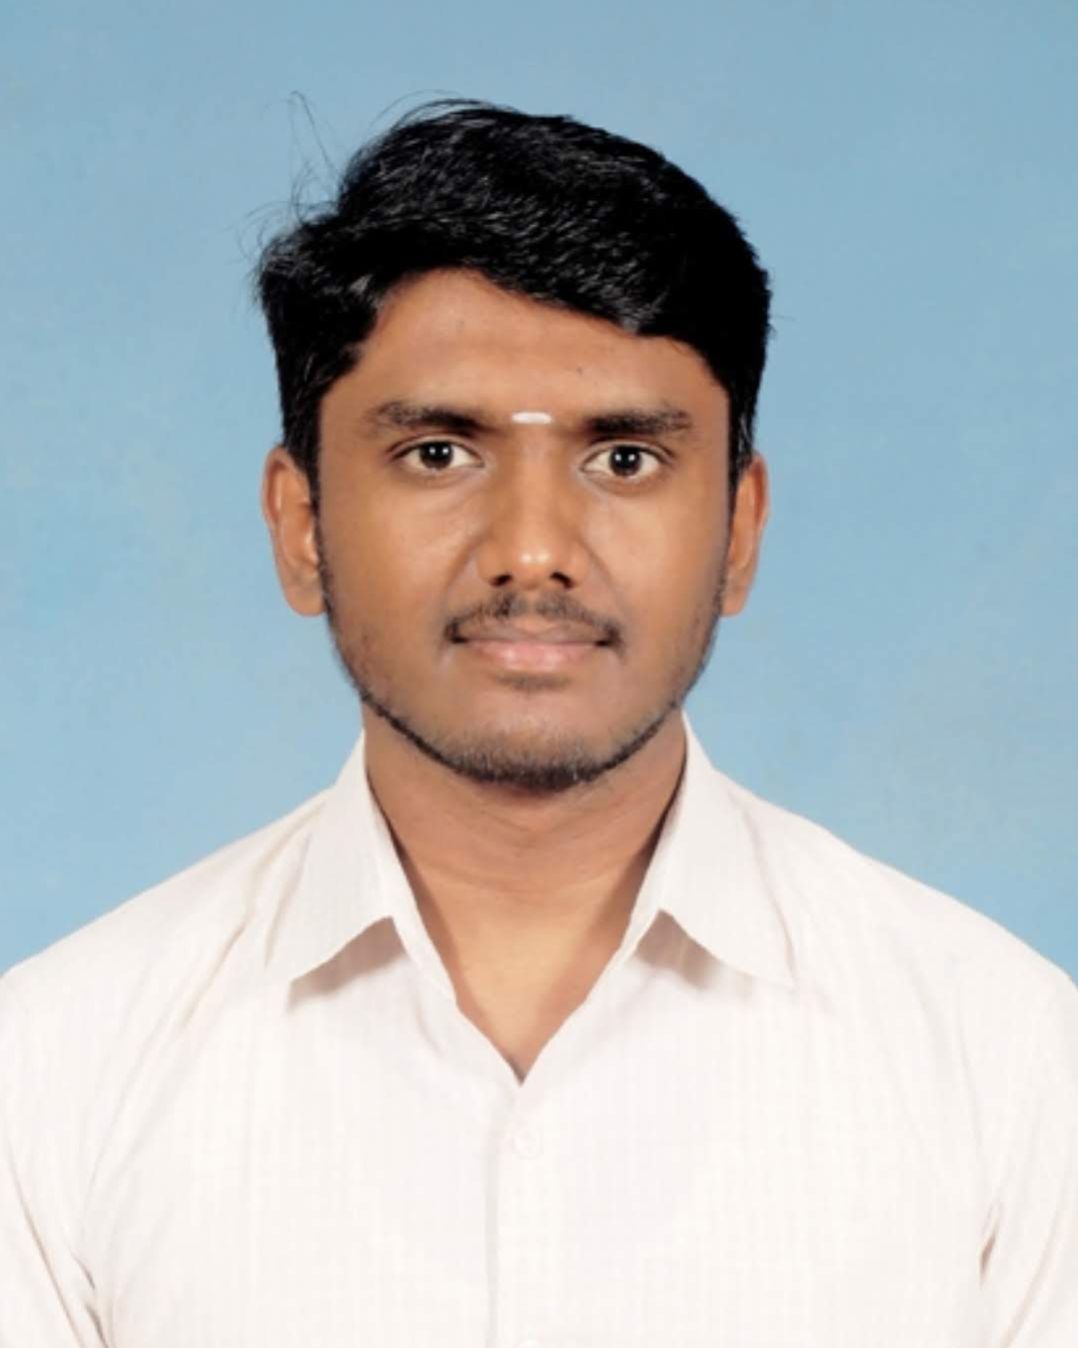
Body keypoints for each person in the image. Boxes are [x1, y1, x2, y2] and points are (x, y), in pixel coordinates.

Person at [2, 100, 1075, 1348]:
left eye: (622, 459)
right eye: (437, 453)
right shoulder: (54, 1074)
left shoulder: (1009, 1060)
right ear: (300, 526)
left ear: (739, 530)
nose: (530, 550)